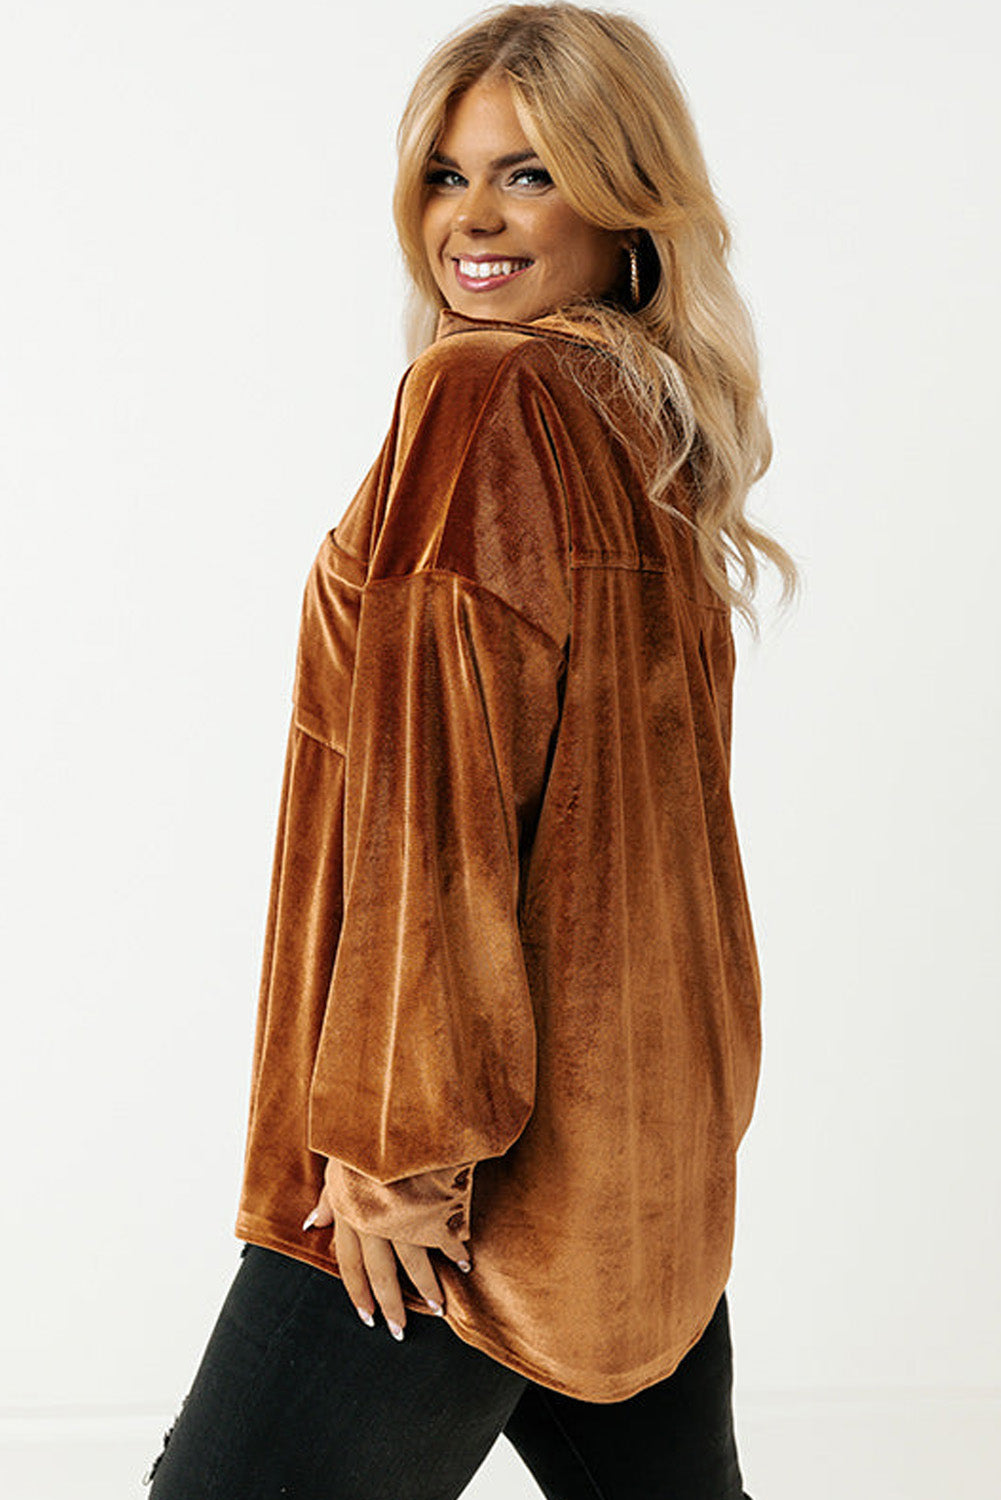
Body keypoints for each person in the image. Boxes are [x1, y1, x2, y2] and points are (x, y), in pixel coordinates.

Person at [144, 4, 799, 1496]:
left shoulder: (484, 392)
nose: (473, 220)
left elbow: (436, 811)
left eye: (529, 173)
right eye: (446, 176)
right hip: (633, 1161)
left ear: (625, 202)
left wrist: (392, 1150)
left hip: (451, 1179)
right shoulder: (646, 432)